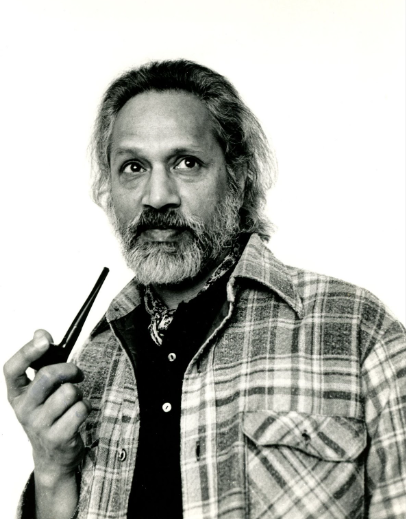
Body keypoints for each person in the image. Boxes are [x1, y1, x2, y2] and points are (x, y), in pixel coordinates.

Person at [4, 59, 406, 519]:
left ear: (238, 174)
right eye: (133, 167)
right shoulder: (93, 362)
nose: (157, 196)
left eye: (187, 163)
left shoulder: (355, 330)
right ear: (108, 187)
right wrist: (52, 470)